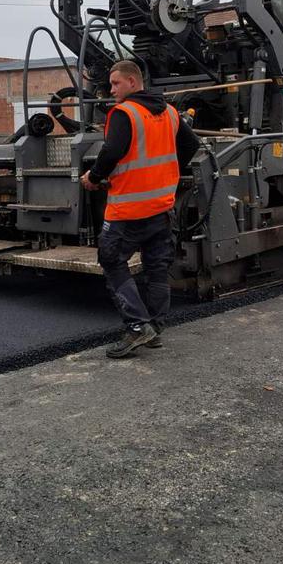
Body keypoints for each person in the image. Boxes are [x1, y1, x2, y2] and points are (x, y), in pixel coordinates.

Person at [80, 59, 200, 357]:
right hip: (161, 207)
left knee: (112, 261)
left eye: (115, 83)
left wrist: (94, 177)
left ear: (133, 82)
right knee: (157, 268)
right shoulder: (170, 112)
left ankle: (137, 327)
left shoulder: (125, 113)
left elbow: (112, 150)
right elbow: (191, 144)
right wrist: (171, 172)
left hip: (128, 210)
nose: (111, 89)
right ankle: (155, 328)